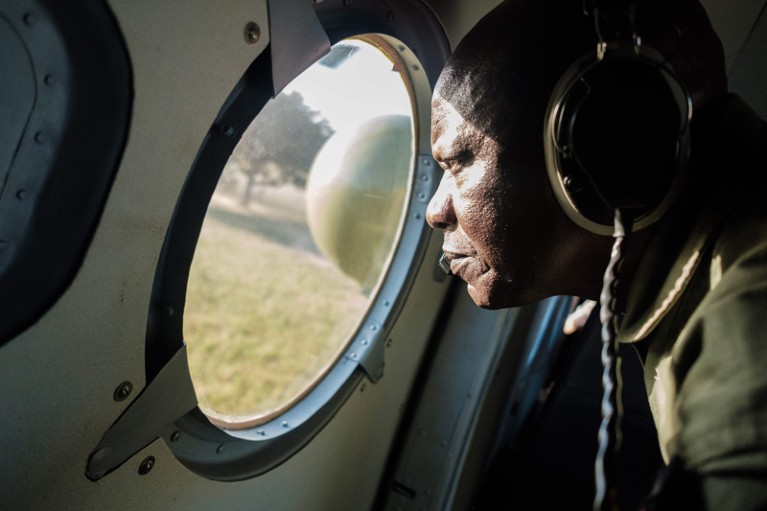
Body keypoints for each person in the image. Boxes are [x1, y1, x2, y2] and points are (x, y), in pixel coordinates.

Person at [425, 0, 767, 509]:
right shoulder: (682, 267)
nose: (435, 211)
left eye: (456, 163)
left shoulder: (748, 331)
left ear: (608, 145)